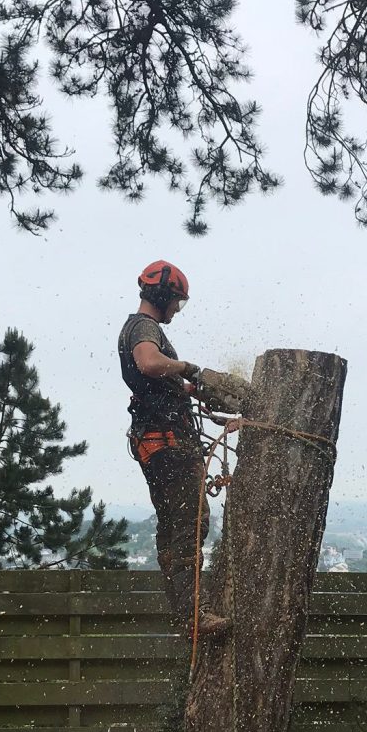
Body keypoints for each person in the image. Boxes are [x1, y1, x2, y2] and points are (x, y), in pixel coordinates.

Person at [118, 261, 248, 639]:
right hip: (168, 442)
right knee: (191, 524)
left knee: (173, 526)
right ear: (162, 296)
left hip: (155, 440)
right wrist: (191, 368)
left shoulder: (137, 327)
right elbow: (148, 362)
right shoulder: (144, 328)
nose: (177, 309)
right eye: (176, 301)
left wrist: (195, 391)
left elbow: (160, 381)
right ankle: (193, 615)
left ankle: (183, 611)